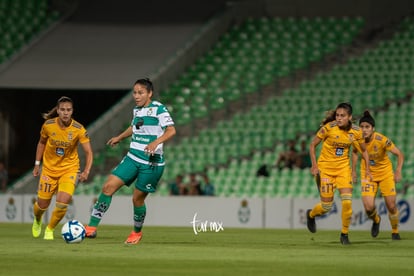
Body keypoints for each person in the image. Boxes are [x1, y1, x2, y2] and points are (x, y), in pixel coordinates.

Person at [85, 78, 176, 244]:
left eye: (140, 92)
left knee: (137, 199)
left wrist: (156, 142)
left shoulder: (158, 109)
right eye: (134, 92)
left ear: (150, 93)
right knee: (107, 187)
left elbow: (171, 130)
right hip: (132, 157)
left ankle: (136, 232)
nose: (136, 96)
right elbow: (134, 127)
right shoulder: (137, 110)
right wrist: (119, 137)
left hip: (151, 163)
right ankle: (91, 228)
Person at [305, 102, 372, 245]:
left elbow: (364, 150)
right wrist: (314, 165)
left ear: (349, 117)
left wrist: (367, 169)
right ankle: (311, 215)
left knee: (347, 203)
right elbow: (312, 145)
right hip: (326, 171)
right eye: (337, 115)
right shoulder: (328, 128)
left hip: (343, 170)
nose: (339, 118)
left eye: (342, 116)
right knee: (326, 207)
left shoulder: (356, 132)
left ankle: (344, 234)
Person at [32, 96, 93, 240]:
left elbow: (89, 152)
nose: (66, 112)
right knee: (41, 205)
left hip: (69, 170)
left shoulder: (79, 129)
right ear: (58, 111)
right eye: (63, 110)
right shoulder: (48, 125)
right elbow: (41, 143)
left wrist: (86, 171)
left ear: (72, 111)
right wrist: (36, 164)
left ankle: (50, 229)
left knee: (62, 203)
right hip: (49, 170)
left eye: (69, 110)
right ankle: (38, 219)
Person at [351, 110, 404, 240]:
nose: (364, 130)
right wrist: (353, 171)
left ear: (373, 129)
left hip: (385, 173)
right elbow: (354, 153)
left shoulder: (381, 139)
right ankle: (376, 219)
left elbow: (399, 154)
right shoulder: (358, 140)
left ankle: (395, 231)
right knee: (369, 208)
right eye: (362, 127)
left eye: (367, 127)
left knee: (391, 205)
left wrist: (398, 171)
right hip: (368, 174)